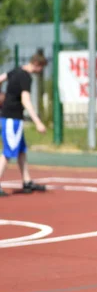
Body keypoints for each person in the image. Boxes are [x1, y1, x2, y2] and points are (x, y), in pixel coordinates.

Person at [0, 52, 48, 196]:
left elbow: (1, 78)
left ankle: (27, 181)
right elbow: (25, 100)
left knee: (21, 151)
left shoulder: (16, 70)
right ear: (38, 65)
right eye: (41, 68)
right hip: (12, 118)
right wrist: (38, 122)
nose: (41, 72)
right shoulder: (26, 77)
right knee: (8, 153)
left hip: (12, 118)